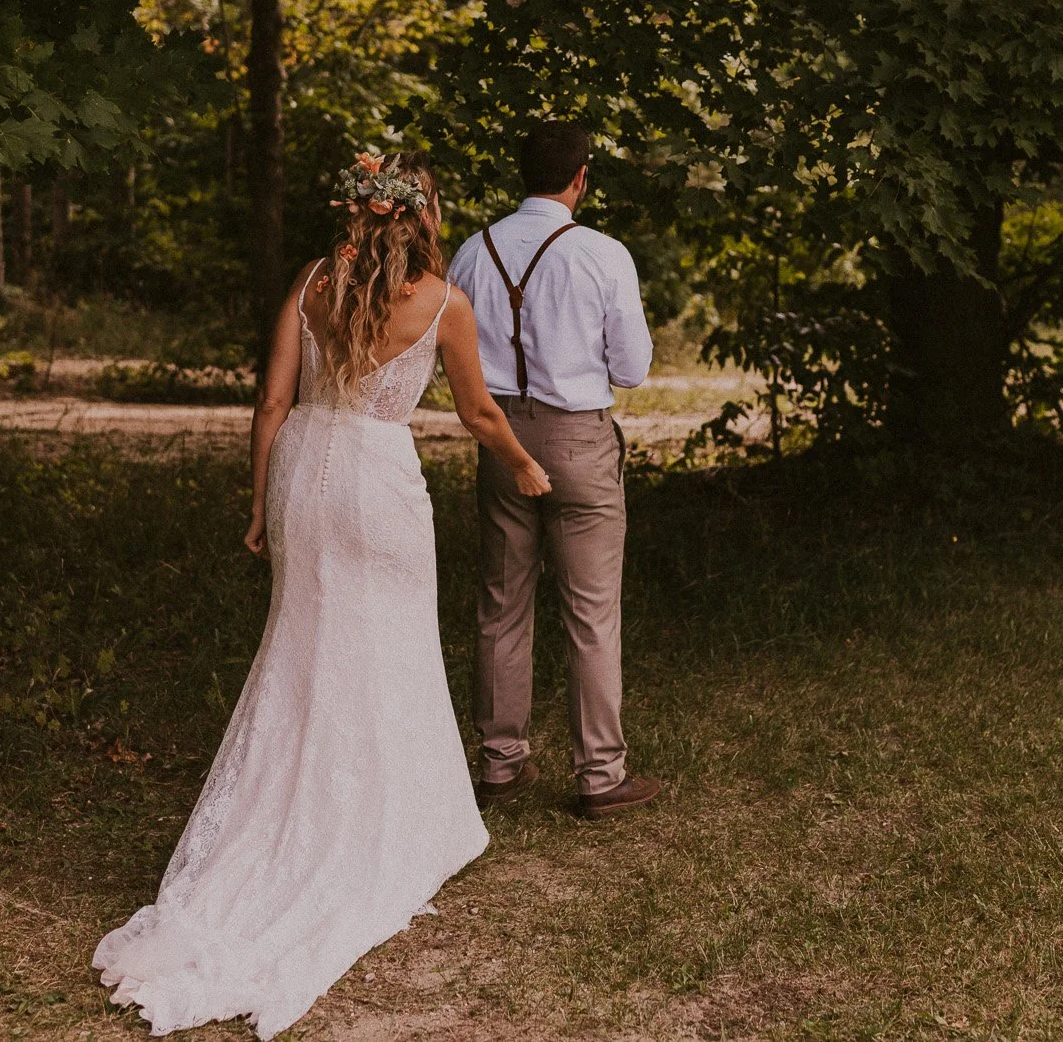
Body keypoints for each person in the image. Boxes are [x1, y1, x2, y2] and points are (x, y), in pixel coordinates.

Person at [90, 152, 551, 1040]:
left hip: (305, 466)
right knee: (389, 640)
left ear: (361, 210)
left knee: (303, 639)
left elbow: (270, 400)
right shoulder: (443, 303)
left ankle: (295, 810)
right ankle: (379, 817)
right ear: (422, 216)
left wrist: (260, 503)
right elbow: (480, 413)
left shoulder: (311, 282)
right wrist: (527, 465)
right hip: (376, 475)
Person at [448, 121, 660, 819]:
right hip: (577, 441)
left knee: (501, 602)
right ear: (581, 176)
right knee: (592, 612)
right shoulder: (603, 254)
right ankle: (600, 775)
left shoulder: (472, 253)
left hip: (500, 435)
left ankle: (500, 764)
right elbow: (631, 368)